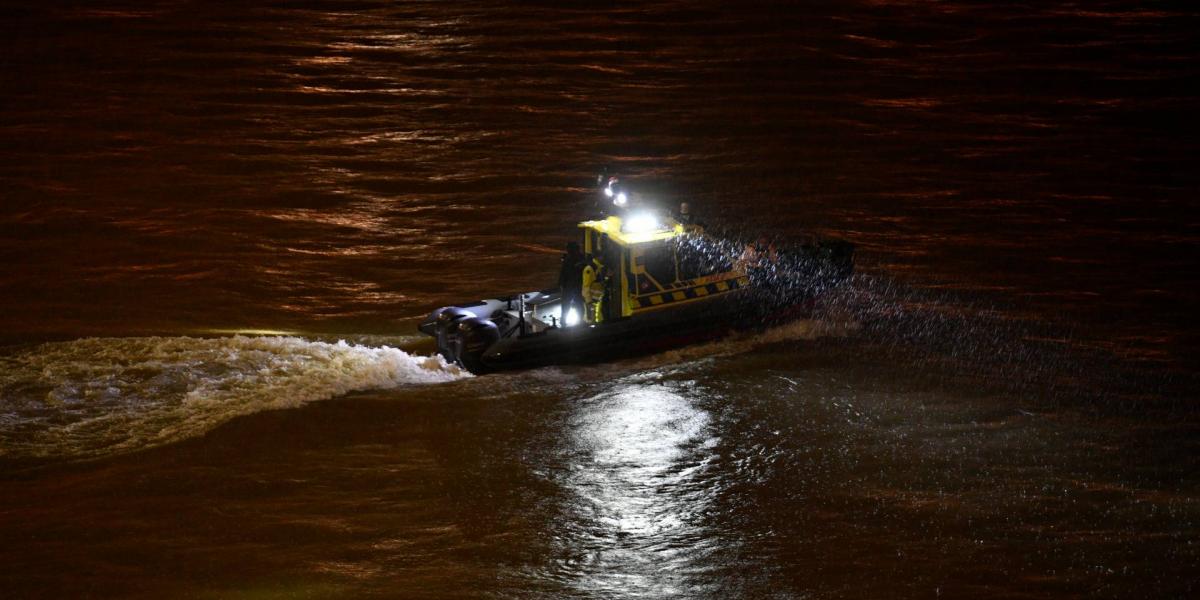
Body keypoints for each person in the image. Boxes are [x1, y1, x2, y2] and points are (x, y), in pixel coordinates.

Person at [558, 241, 586, 326]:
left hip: (571, 286)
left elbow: (563, 273)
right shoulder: (581, 259)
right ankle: (579, 321)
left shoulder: (569, 260)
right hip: (576, 285)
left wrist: (561, 284)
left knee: (567, 304)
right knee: (578, 304)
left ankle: (564, 321)